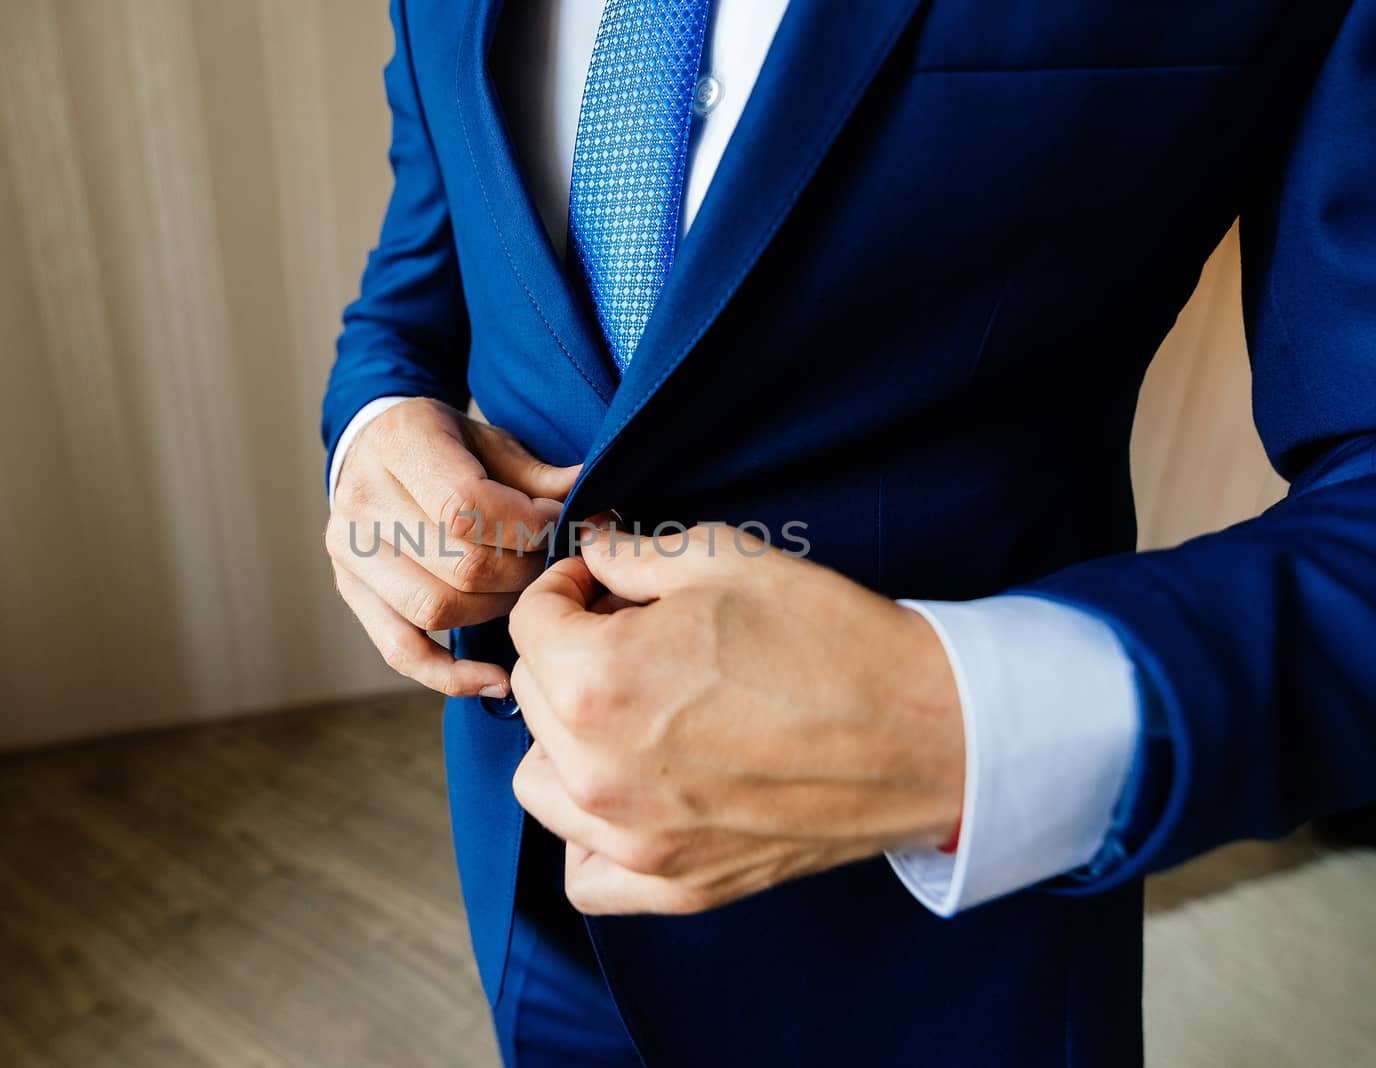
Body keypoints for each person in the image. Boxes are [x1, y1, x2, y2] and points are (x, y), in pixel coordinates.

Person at [321, 2, 1376, 1064]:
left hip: (931, 933)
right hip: (530, 835)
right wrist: (373, 430)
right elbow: (418, 280)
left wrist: (951, 732)